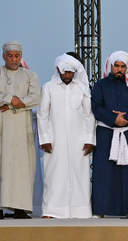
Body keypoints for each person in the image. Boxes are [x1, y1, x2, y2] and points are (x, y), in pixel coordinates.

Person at [0, 41, 40, 219]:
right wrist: (10, 98)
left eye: (16, 56)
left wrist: (13, 106)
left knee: (22, 169)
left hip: (21, 132)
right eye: (10, 56)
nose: (13, 59)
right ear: (3, 56)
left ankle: (20, 209)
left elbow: (35, 97)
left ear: (21, 57)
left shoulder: (31, 76)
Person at [37, 53, 95, 219]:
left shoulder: (82, 88)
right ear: (58, 70)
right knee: (54, 174)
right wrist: (45, 139)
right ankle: (51, 210)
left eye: (70, 72)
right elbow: (42, 115)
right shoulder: (49, 87)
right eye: (64, 72)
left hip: (79, 141)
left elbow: (88, 115)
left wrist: (90, 140)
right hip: (55, 140)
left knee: (80, 174)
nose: (67, 75)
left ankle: (81, 211)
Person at [91, 51, 128, 218]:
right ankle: (102, 210)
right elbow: (96, 107)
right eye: (117, 66)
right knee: (104, 173)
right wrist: (114, 119)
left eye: (123, 66)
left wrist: (125, 119)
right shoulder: (100, 85)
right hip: (106, 133)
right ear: (111, 66)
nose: (119, 69)